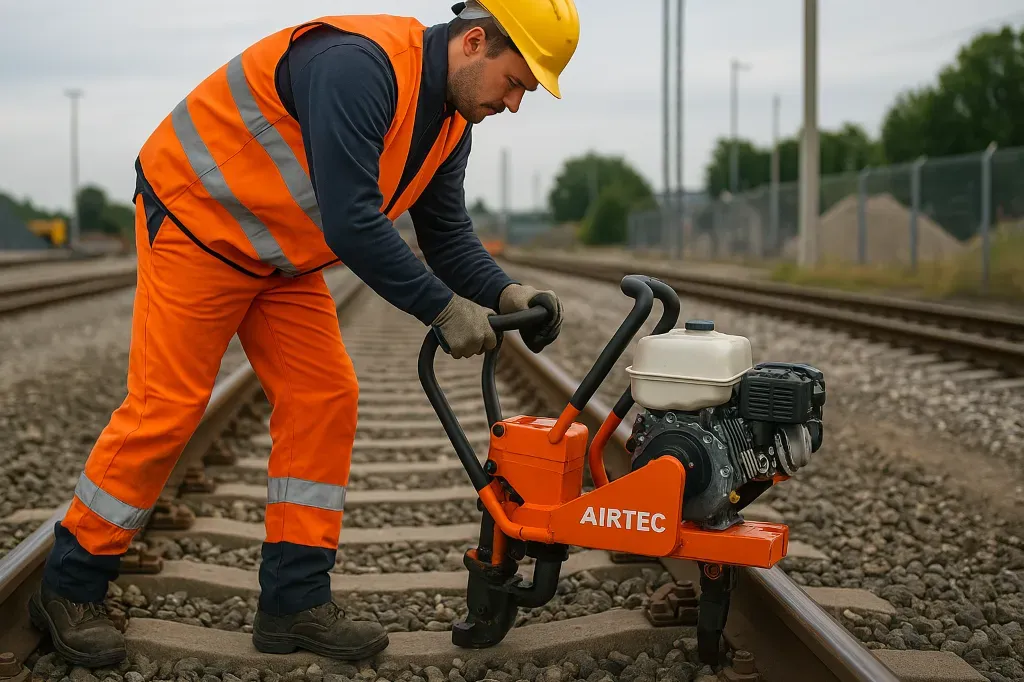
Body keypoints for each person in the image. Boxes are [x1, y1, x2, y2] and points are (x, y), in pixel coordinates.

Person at [29, 0, 580, 667]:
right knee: (167, 407)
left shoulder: (449, 125)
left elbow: (447, 234)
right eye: (516, 82)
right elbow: (352, 223)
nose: (516, 104)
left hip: (276, 256)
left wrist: (505, 292)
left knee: (326, 398)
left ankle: (293, 600)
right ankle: (69, 585)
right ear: (473, 42)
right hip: (198, 224)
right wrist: (441, 307)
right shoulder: (358, 66)